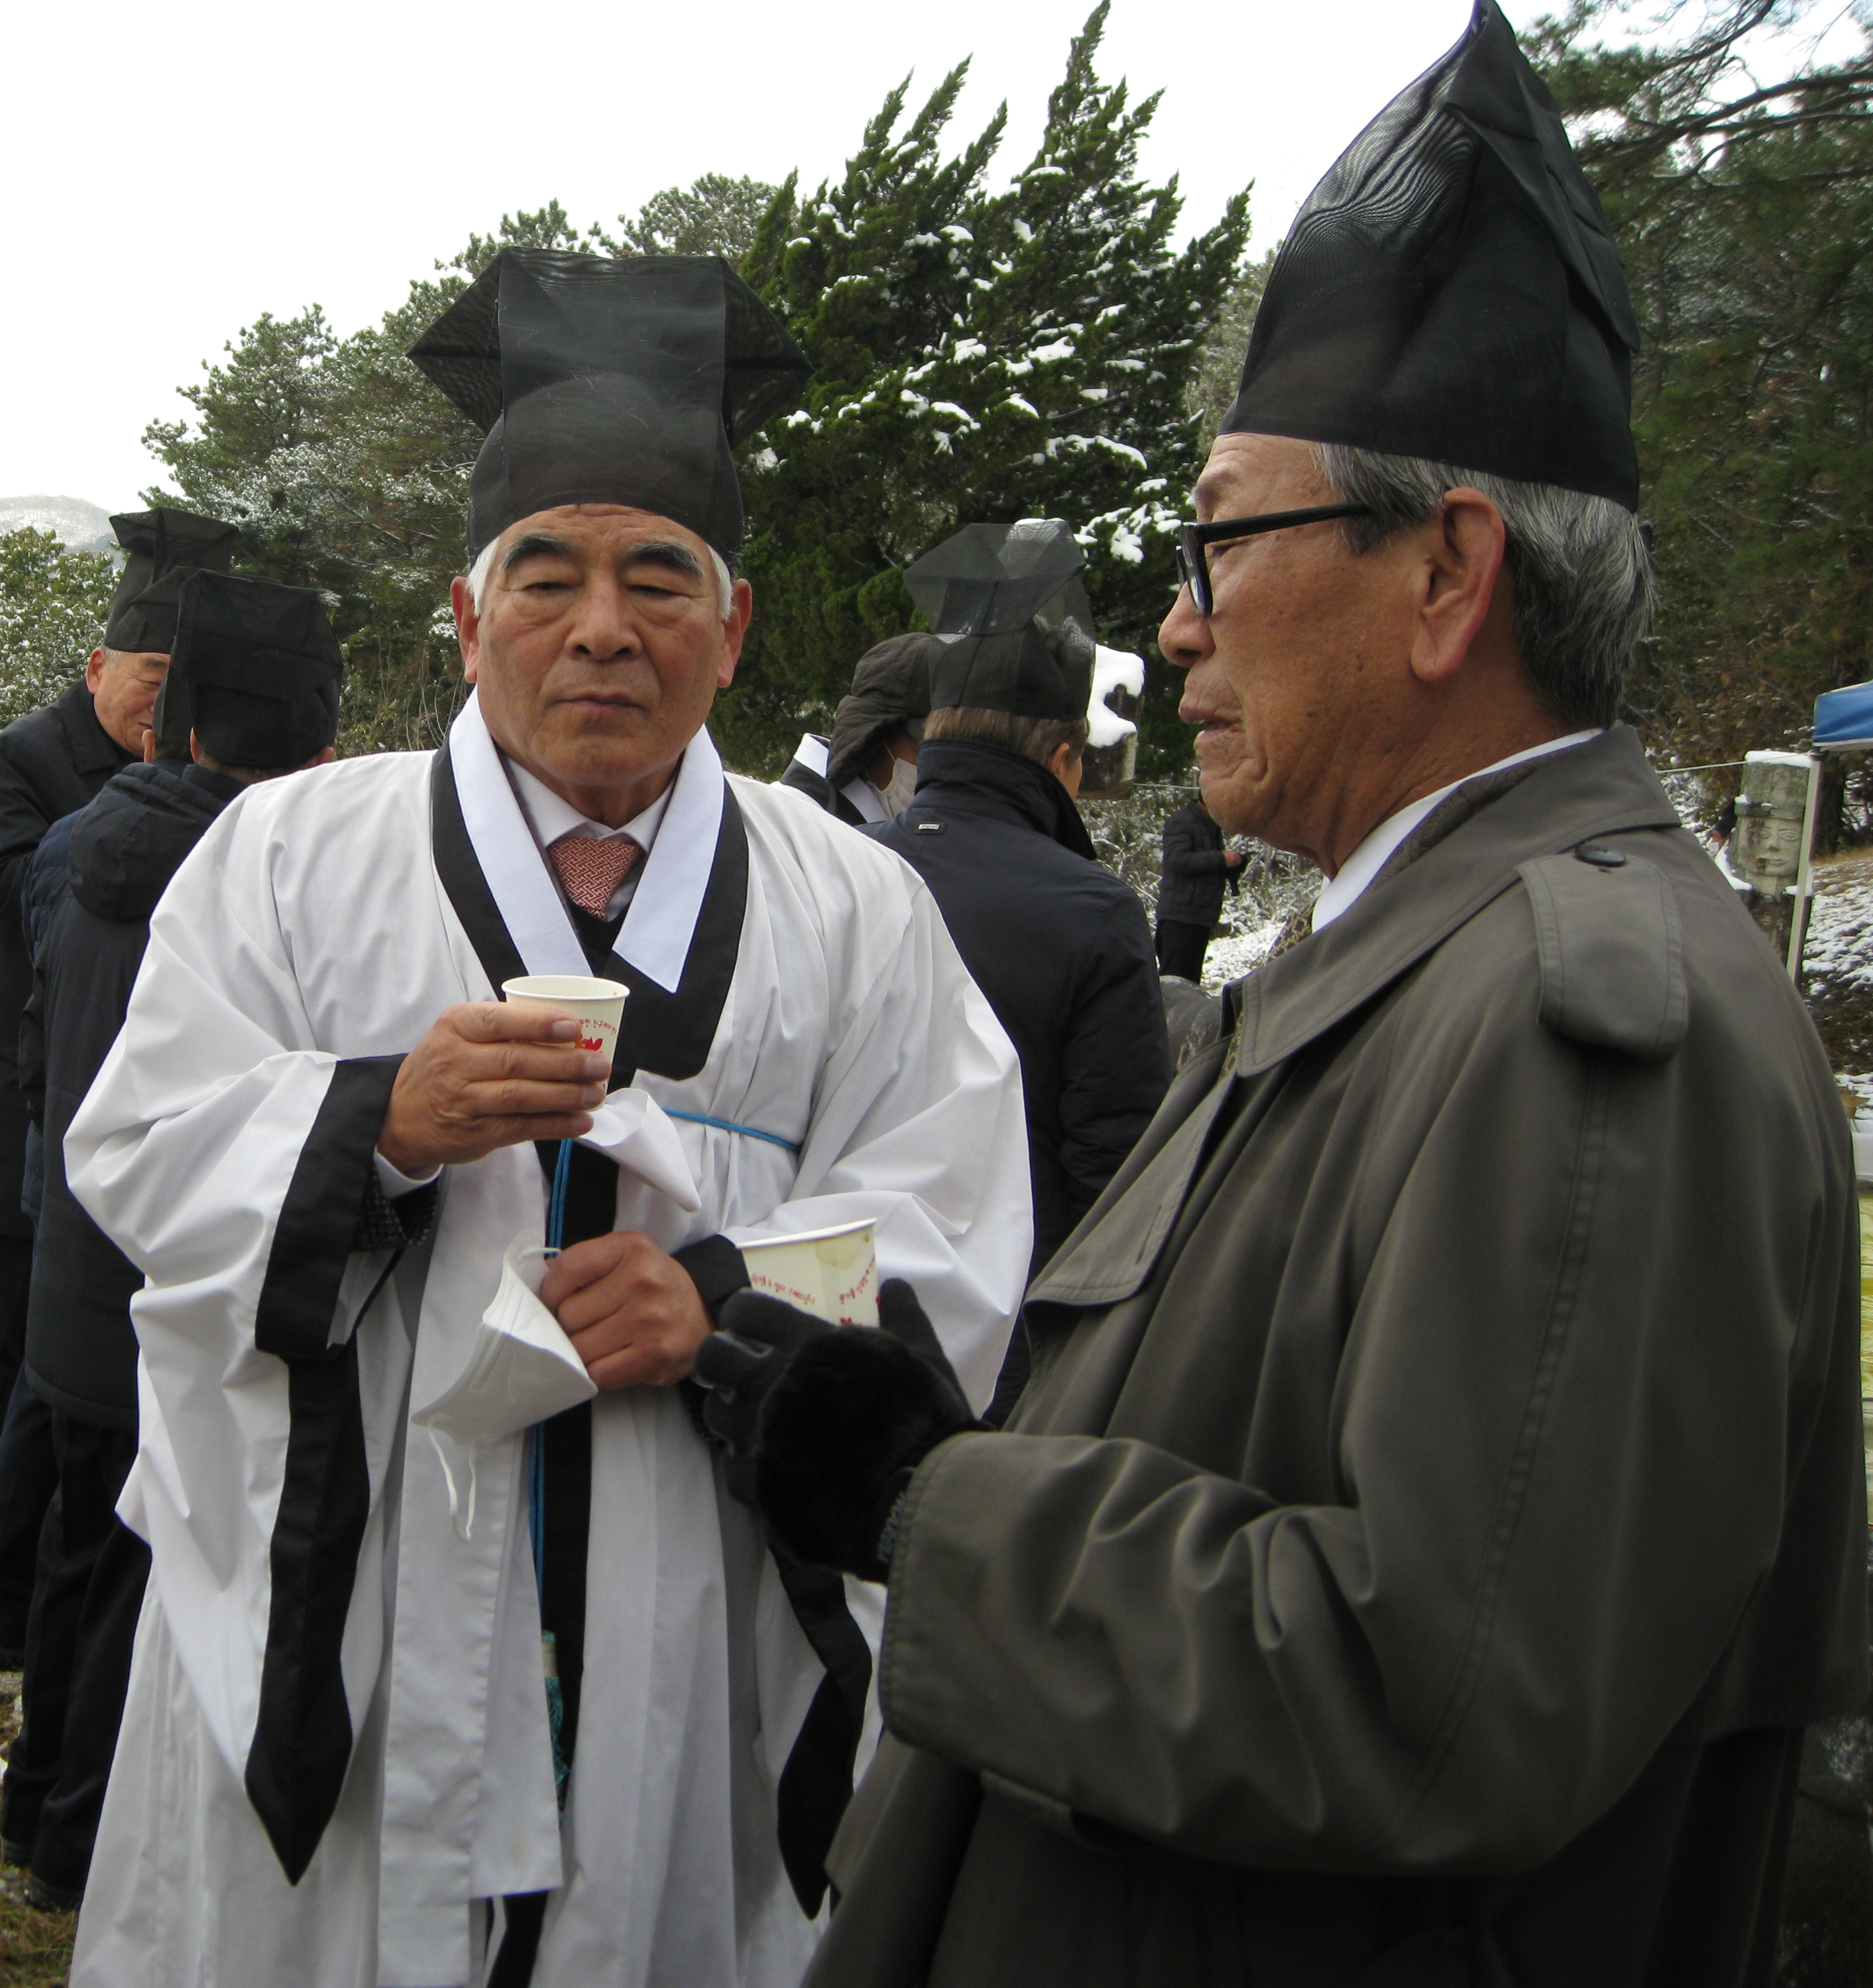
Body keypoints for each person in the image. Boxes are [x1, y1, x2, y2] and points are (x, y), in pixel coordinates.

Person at [699, 7, 1869, 1979]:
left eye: (1218, 539)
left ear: (1446, 575)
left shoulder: (1580, 1031)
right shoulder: (1417, 957)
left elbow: (1436, 1688)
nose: (1173, 625)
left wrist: (921, 1504)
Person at [62, 247, 1034, 1988]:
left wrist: (722, 1298)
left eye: (659, 578)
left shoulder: (854, 910)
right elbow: (139, 1153)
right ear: (466, 615)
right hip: (371, 1577)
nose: (601, 627)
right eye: (546, 576)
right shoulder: (290, 862)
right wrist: (374, 1120)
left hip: (688, 1601)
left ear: (731, 627)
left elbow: (953, 1224)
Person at [0, 571, 342, 1910]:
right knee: (145, 1574)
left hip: (74, 1252)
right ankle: (79, 1843)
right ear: (318, 750)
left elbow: (39, 1053)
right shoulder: (271, 884)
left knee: (77, 1549)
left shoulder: (76, 844)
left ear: (180, 723)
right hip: (171, 1274)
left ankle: (33, 1800)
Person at [0, 505, 235, 1663]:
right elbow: (5, 884)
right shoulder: (25, 755)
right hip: (24, 1055)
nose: (155, 709)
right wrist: (120, 827)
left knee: (69, 1305)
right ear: (99, 667)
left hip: (119, 1056)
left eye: (175, 689)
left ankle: (36, 1506)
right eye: (144, 681)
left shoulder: (178, 766)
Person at [866, 518, 1171, 1283]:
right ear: (1063, 757)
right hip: (1011, 1309)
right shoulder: (1094, 912)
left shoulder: (834, 867)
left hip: (833, 1293)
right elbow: (1117, 1173)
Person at [778, 634, 931, 824]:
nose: (946, 766)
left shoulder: (897, 827)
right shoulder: (788, 820)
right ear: (875, 736)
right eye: (930, 748)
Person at [1152, 789, 1237, 982]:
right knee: (1175, 983)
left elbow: (1203, 866)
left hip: (1200, 918)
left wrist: (1231, 866)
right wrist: (1220, 859)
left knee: (1190, 983)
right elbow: (1177, 861)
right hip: (1180, 918)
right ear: (1209, 801)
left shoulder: (1209, 824)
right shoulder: (1182, 821)